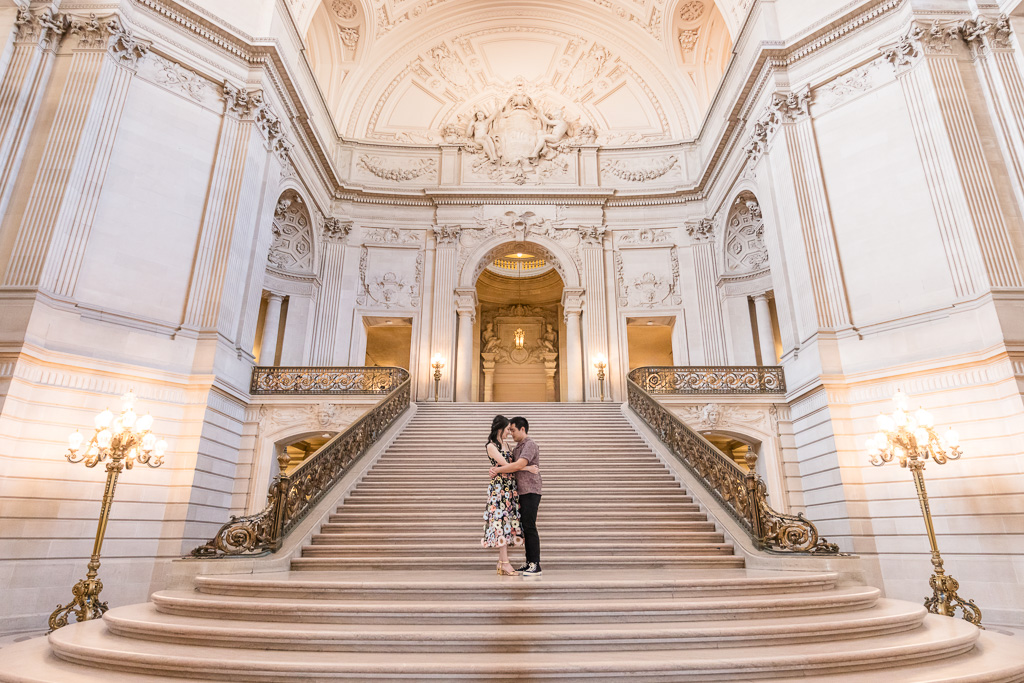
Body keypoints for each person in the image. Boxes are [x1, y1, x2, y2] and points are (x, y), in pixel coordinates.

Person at [481, 414, 538, 575]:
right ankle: (504, 563)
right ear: (500, 429)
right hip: (499, 490)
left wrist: (500, 470)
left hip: (510, 489)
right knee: (500, 524)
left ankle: (502, 562)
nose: (509, 433)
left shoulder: (506, 444)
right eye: (507, 429)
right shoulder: (491, 446)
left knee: (507, 525)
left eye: (510, 430)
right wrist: (528, 468)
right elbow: (508, 465)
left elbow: (512, 465)